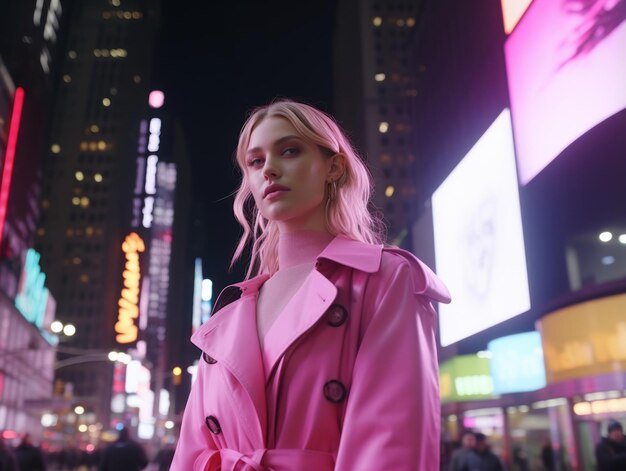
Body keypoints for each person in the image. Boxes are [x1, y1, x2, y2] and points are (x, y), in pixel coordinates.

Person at [171, 99, 451, 470]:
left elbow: (391, 447)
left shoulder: (384, 279)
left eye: (289, 151)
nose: (269, 169)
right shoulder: (226, 321)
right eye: (256, 162)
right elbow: (191, 455)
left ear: (333, 166)